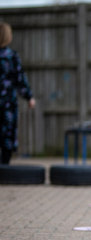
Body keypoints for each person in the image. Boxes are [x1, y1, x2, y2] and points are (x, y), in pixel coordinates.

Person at [0, 22, 35, 165]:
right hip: (7, 103)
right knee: (7, 136)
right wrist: (29, 97)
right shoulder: (11, 56)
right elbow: (20, 79)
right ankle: (5, 168)